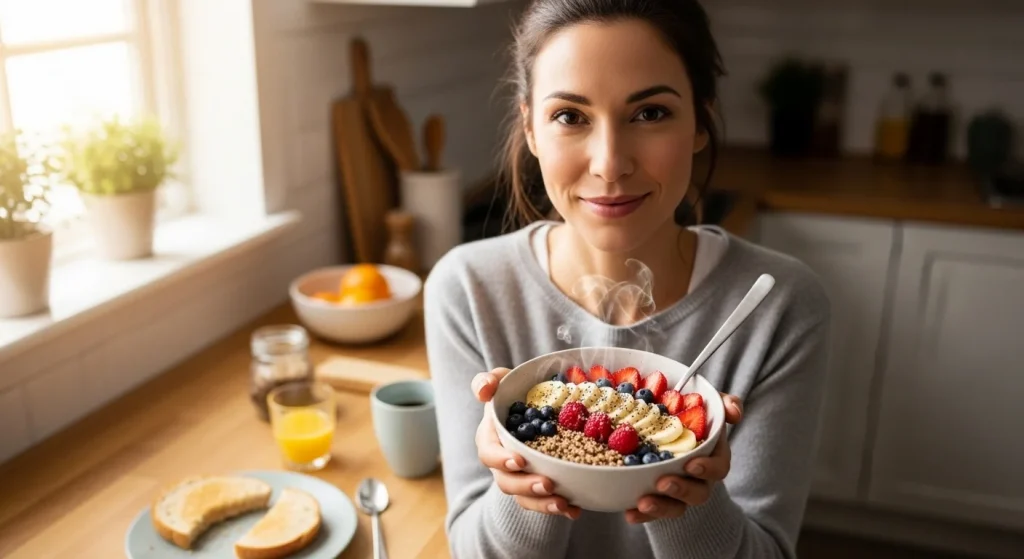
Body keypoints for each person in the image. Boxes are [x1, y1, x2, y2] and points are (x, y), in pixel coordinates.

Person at [423, 0, 831, 557]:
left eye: (650, 113)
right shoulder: (467, 290)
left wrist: (691, 500)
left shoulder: (781, 306)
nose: (610, 163)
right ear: (531, 129)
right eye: (570, 116)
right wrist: (523, 490)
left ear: (699, 123)